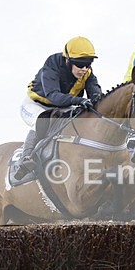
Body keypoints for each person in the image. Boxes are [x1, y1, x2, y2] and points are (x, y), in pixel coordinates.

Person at [16, 36, 103, 179]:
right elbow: (53, 95)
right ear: (68, 61)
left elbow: (96, 95)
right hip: (37, 105)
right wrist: (80, 100)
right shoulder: (52, 65)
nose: (84, 69)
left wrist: (97, 101)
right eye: (80, 65)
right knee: (42, 121)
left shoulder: (87, 72)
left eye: (88, 64)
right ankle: (25, 160)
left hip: (62, 107)